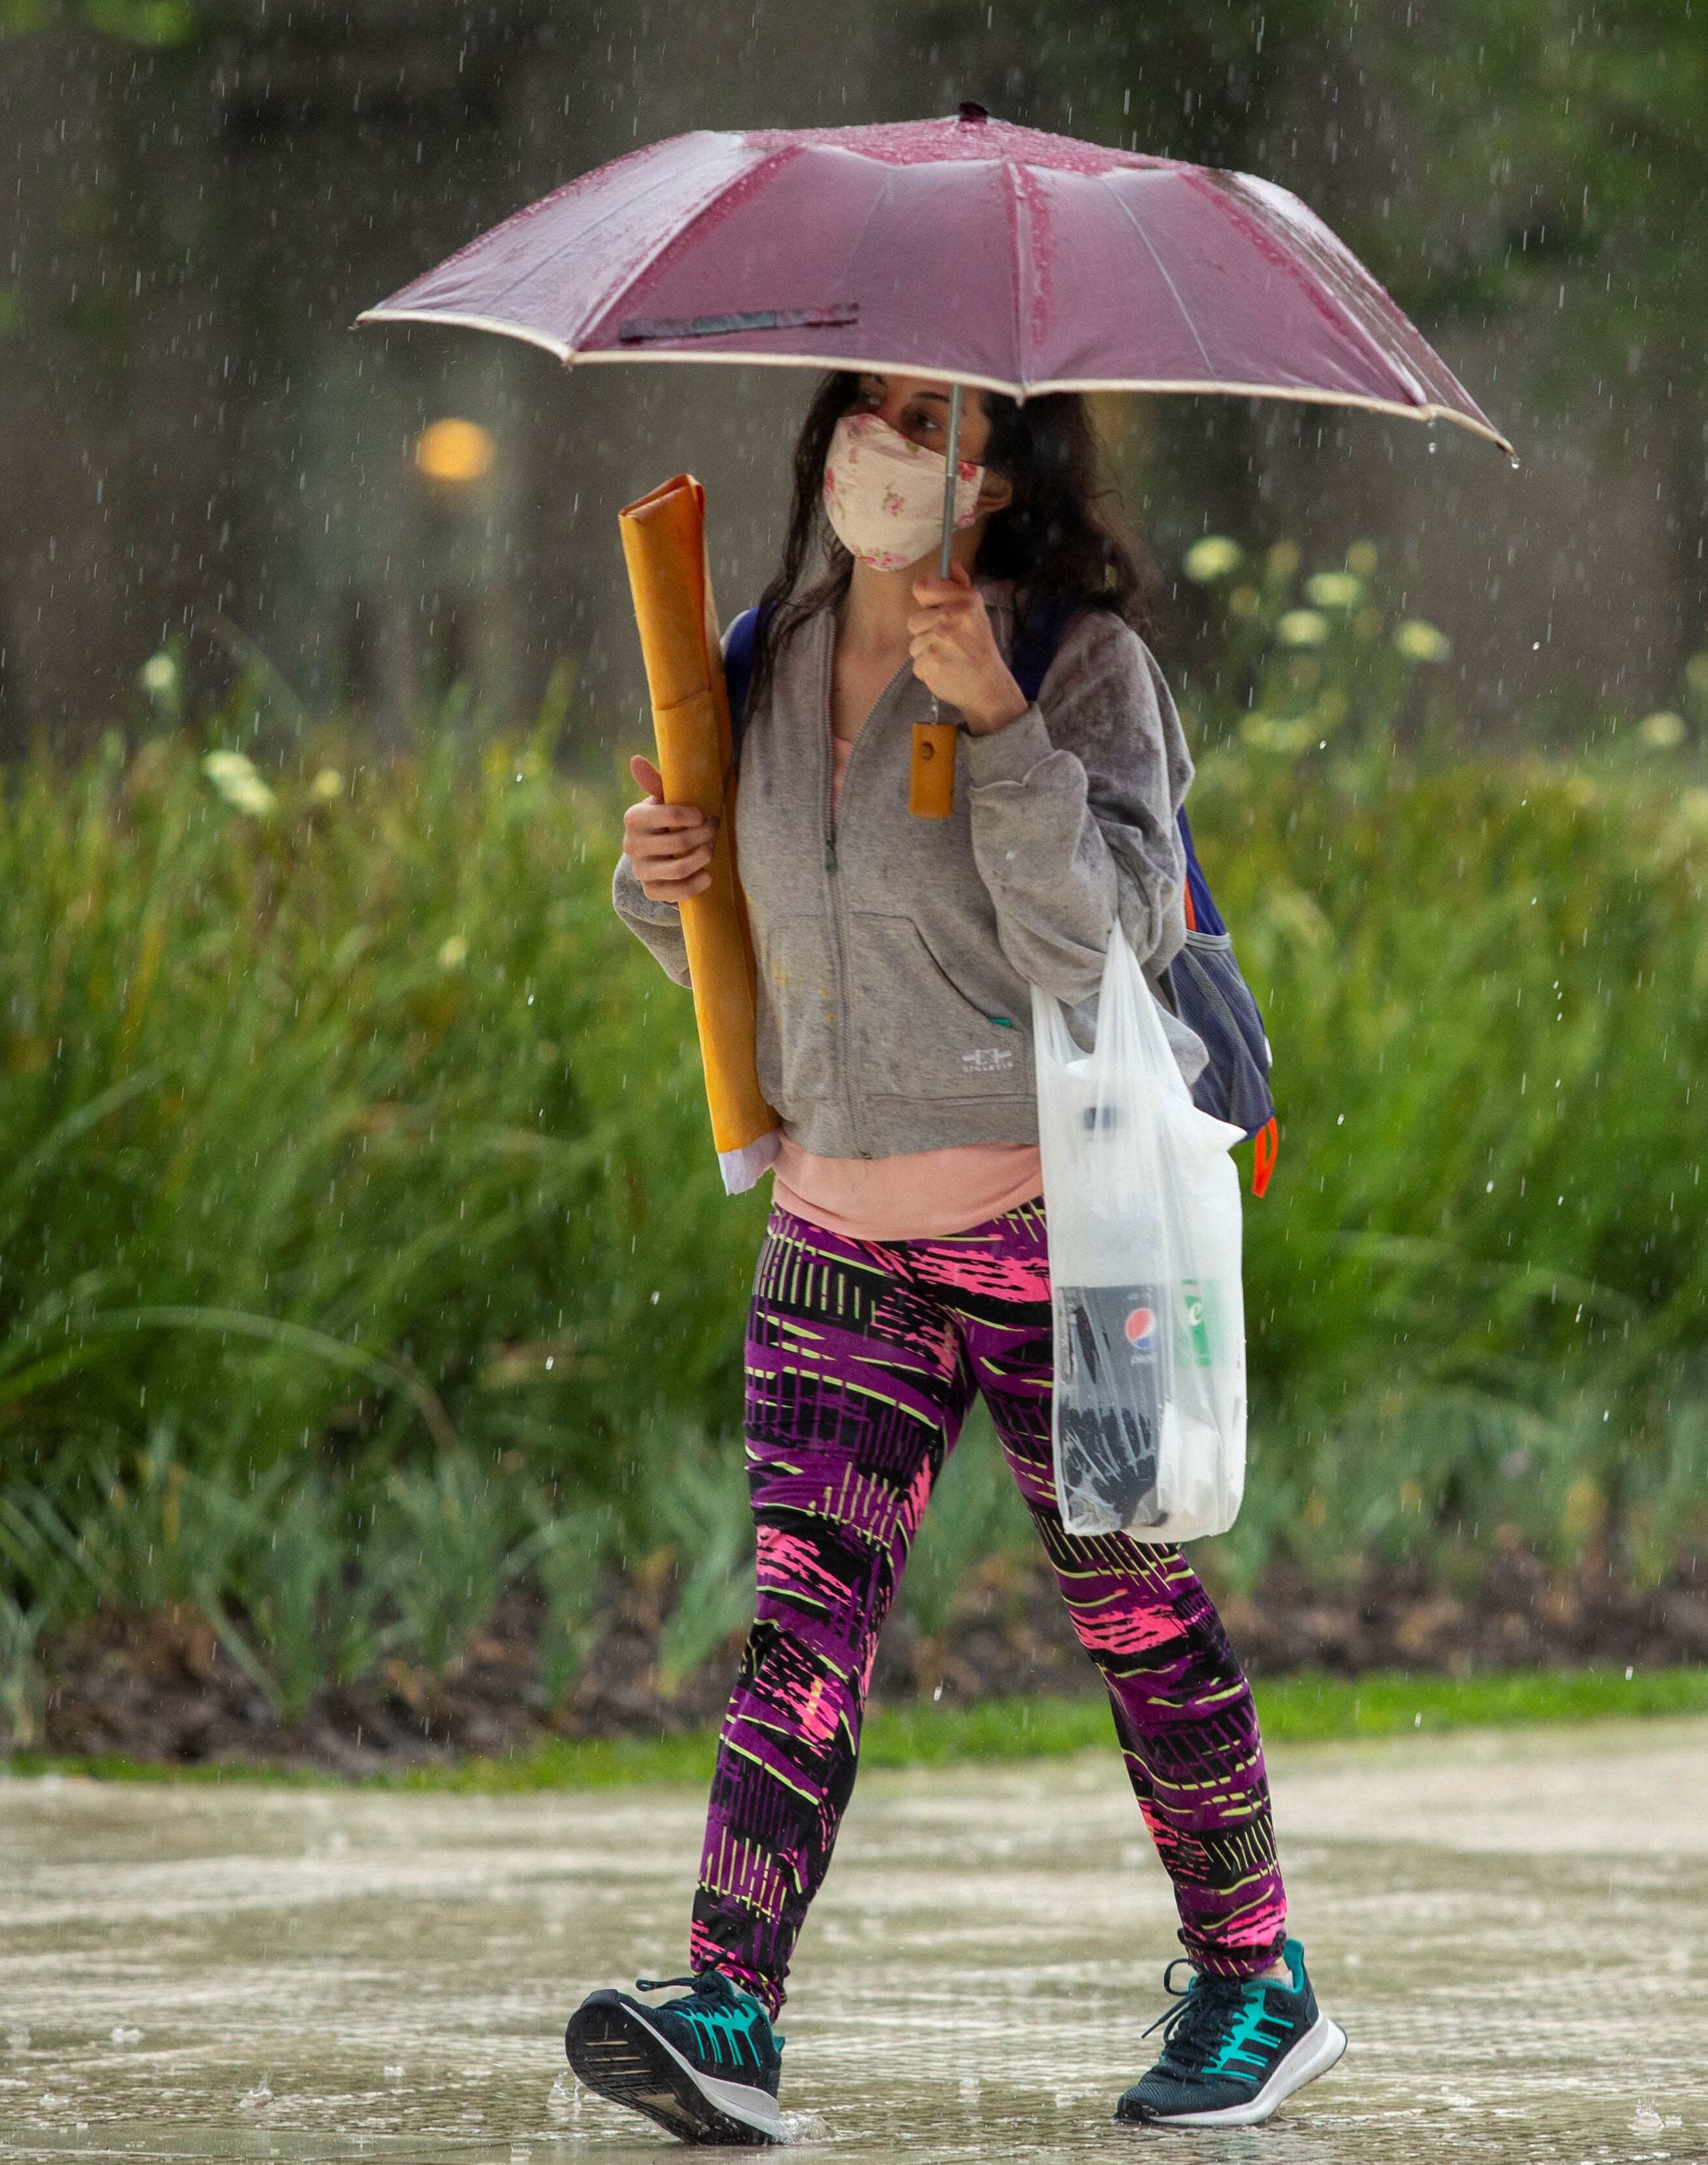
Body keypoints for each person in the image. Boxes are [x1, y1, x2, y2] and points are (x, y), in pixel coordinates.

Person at [572, 371, 1344, 2141]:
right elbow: (781, 964)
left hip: (1056, 1230)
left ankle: (1256, 1974)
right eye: (877, 408)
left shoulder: (1081, 665)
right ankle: (729, 2004)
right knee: (801, 1629)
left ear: (1000, 470)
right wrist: (660, 876)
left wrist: (997, 720)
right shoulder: (759, 652)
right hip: (835, 1228)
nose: (894, 446)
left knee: (1137, 1615)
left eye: (941, 419)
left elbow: (1107, 943)